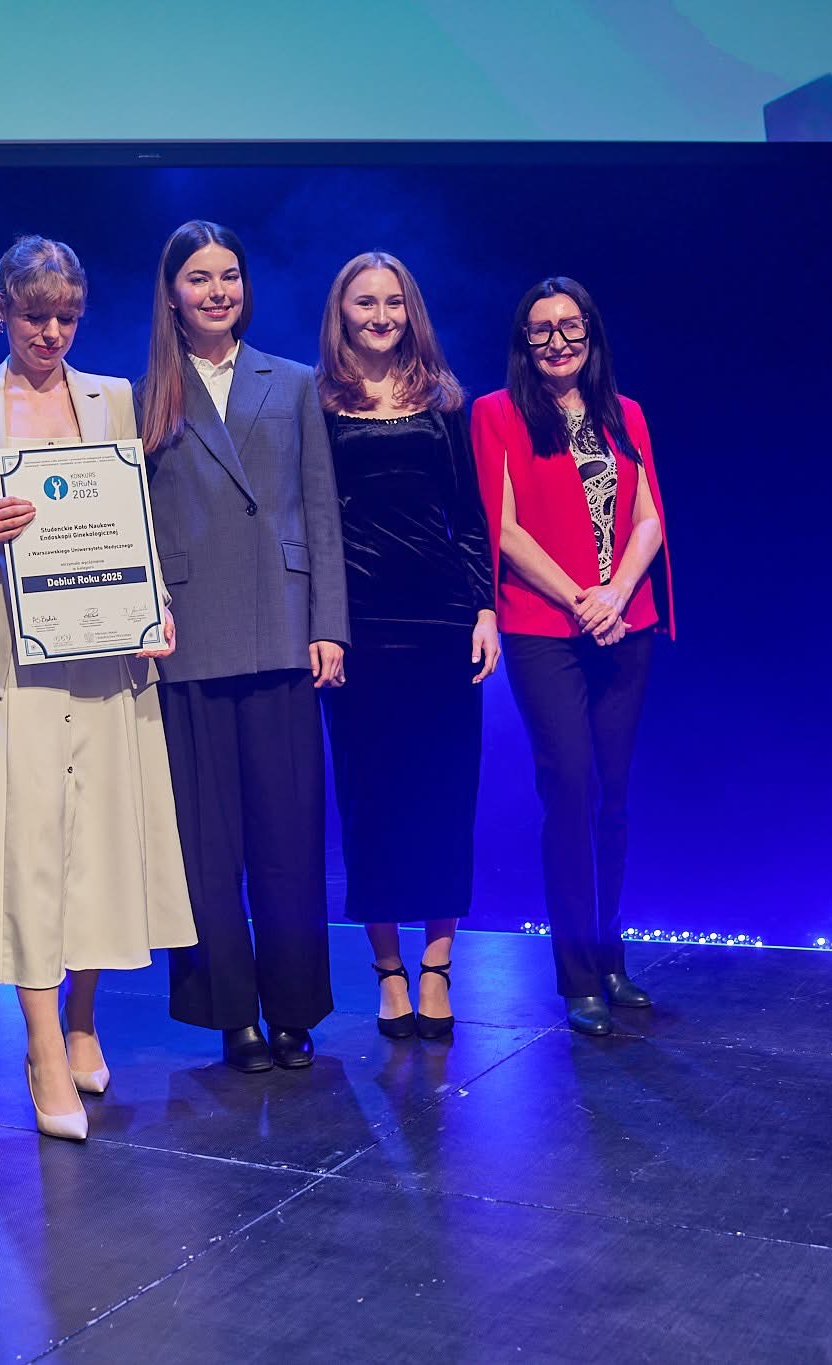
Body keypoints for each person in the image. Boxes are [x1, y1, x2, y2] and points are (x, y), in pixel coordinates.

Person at [0, 236, 195, 1141]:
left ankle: (82, 1020)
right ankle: (42, 1047)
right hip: (10, 662)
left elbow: (132, 519)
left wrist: (153, 604)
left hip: (107, 653)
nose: (53, 332)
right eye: (36, 314)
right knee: (30, 852)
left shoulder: (110, 395)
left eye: (68, 316)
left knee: (98, 848)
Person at [138, 220, 348, 1073]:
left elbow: (322, 507)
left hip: (281, 626)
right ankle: (233, 1014)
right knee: (206, 842)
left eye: (229, 275)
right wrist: (140, 607)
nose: (217, 290)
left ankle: (294, 1007)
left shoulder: (293, 381)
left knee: (290, 834)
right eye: (199, 277)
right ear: (173, 293)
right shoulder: (143, 390)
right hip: (188, 634)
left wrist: (329, 622)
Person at [472, 276, 675, 1038]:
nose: (557, 340)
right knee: (570, 785)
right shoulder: (497, 414)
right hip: (543, 629)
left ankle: (612, 953)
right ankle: (578, 971)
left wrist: (617, 594)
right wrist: (580, 599)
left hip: (627, 623)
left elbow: (651, 517)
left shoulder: (627, 416)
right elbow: (505, 528)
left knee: (613, 795)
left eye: (570, 326)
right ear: (524, 342)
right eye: (541, 329)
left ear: (591, 332)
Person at [314, 252, 497, 1041]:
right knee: (370, 797)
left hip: (440, 622)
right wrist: (324, 622)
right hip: (357, 627)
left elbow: (470, 513)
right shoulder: (314, 402)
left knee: (445, 793)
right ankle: (387, 968)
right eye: (365, 302)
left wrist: (483, 608)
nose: (381, 314)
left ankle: (438, 965)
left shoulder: (443, 400)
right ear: (342, 313)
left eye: (393, 301)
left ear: (410, 309)